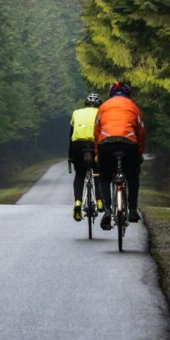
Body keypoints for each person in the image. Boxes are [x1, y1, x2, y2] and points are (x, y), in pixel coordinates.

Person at [94, 81, 145, 230]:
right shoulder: (134, 107)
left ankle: (108, 210)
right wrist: (139, 153)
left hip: (106, 143)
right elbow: (141, 133)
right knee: (132, 176)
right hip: (129, 143)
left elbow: (96, 132)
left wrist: (98, 153)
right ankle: (133, 210)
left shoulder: (103, 107)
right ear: (128, 94)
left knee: (104, 177)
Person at [68, 93, 103, 221]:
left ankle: (77, 202)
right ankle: (99, 200)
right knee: (98, 172)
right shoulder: (101, 112)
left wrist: (70, 156)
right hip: (94, 144)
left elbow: (71, 136)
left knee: (80, 175)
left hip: (78, 145)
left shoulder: (76, 113)